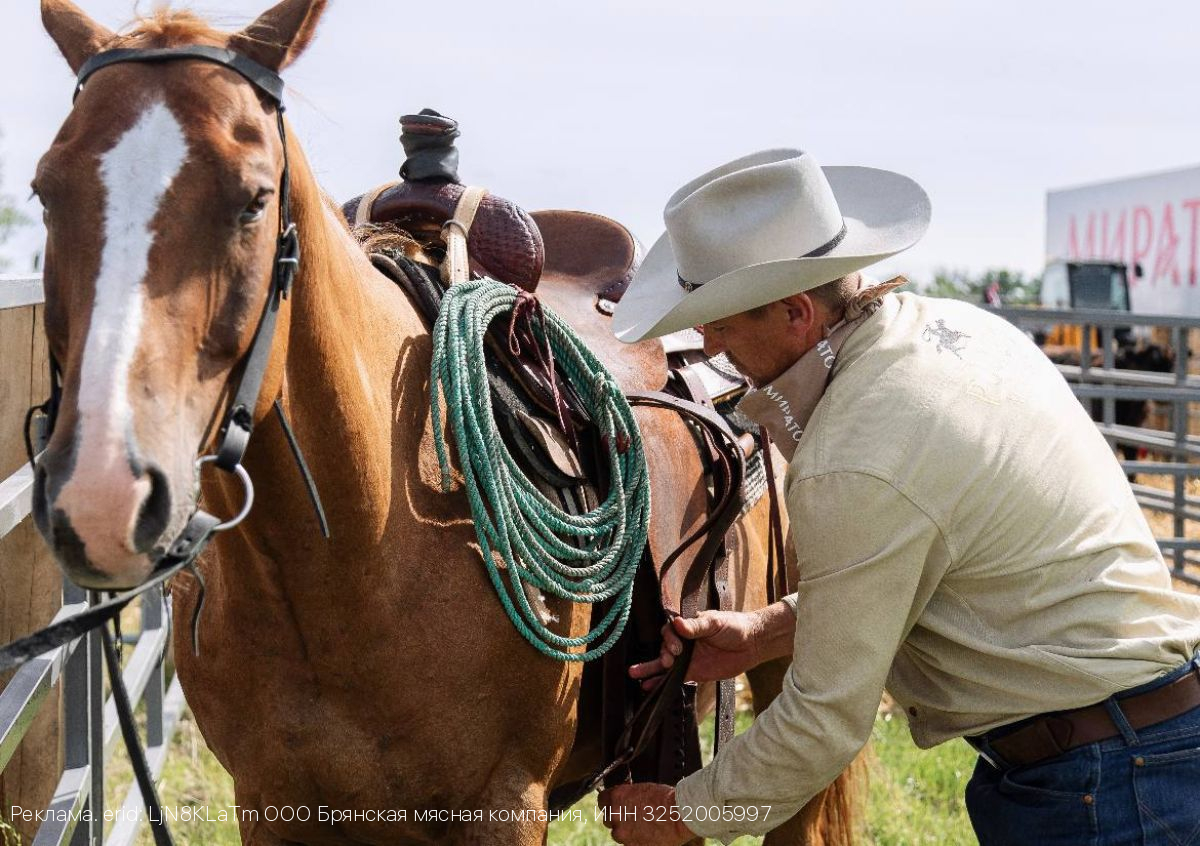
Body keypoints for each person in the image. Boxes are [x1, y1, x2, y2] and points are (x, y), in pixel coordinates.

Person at [599, 149, 1200, 846]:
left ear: (797, 313)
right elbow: (926, 559)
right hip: (1132, 749)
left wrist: (681, 813)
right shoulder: (959, 332)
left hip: (1104, 784)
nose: (709, 343)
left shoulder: (853, 454)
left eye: (722, 322)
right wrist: (766, 634)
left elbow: (824, 720)